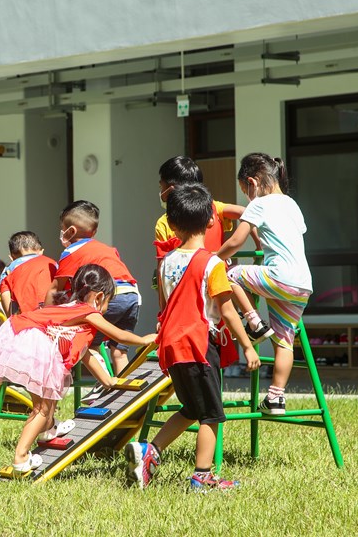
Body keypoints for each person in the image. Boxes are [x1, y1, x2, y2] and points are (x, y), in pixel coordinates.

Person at [125, 183, 260, 492]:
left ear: (172, 225)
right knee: (211, 415)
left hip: (171, 346)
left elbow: (163, 306)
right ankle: (202, 476)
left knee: (190, 409)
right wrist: (248, 345)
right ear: (212, 221)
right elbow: (226, 310)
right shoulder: (212, 264)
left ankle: (151, 451)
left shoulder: (165, 264)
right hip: (199, 346)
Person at [0, 264, 156, 478]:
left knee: (46, 404)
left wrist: (108, 381)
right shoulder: (88, 311)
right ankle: (21, 457)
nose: (107, 309)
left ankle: (48, 431)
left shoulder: (70, 312)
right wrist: (144, 339)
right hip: (34, 340)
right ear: (98, 297)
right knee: (42, 409)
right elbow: (120, 336)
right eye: (108, 302)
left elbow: (85, 354)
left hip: (22, 333)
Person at [217, 153, 313, 416]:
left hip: (279, 275)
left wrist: (213, 260)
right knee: (284, 341)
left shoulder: (259, 204)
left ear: (253, 183)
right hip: (302, 283)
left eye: (245, 191)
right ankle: (275, 398)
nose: (247, 198)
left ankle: (253, 322)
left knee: (229, 274)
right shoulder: (292, 204)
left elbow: (236, 242)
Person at [46, 200, 141, 379]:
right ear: (94, 232)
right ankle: (130, 397)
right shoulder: (108, 249)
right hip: (131, 295)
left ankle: (102, 389)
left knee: (88, 344)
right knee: (119, 352)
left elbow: (55, 288)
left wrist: (47, 317)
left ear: (70, 231)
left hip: (107, 298)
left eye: (61, 228)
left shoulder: (71, 252)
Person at [154, 156, 249, 300]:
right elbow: (247, 213)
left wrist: (163, 313)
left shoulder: (165, 222)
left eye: (161, 186)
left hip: (186, 291)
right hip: (216, 284)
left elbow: (163, 270)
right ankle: (253, 318)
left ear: (170, 189)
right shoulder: (213, 208)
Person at [0, 231, 57, 316]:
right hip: (50, 313)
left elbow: (5, 293)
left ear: (12, 257)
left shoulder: (10, 267)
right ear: (41, 251)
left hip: (24, 317)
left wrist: (10, 317)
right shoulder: (52, 263)